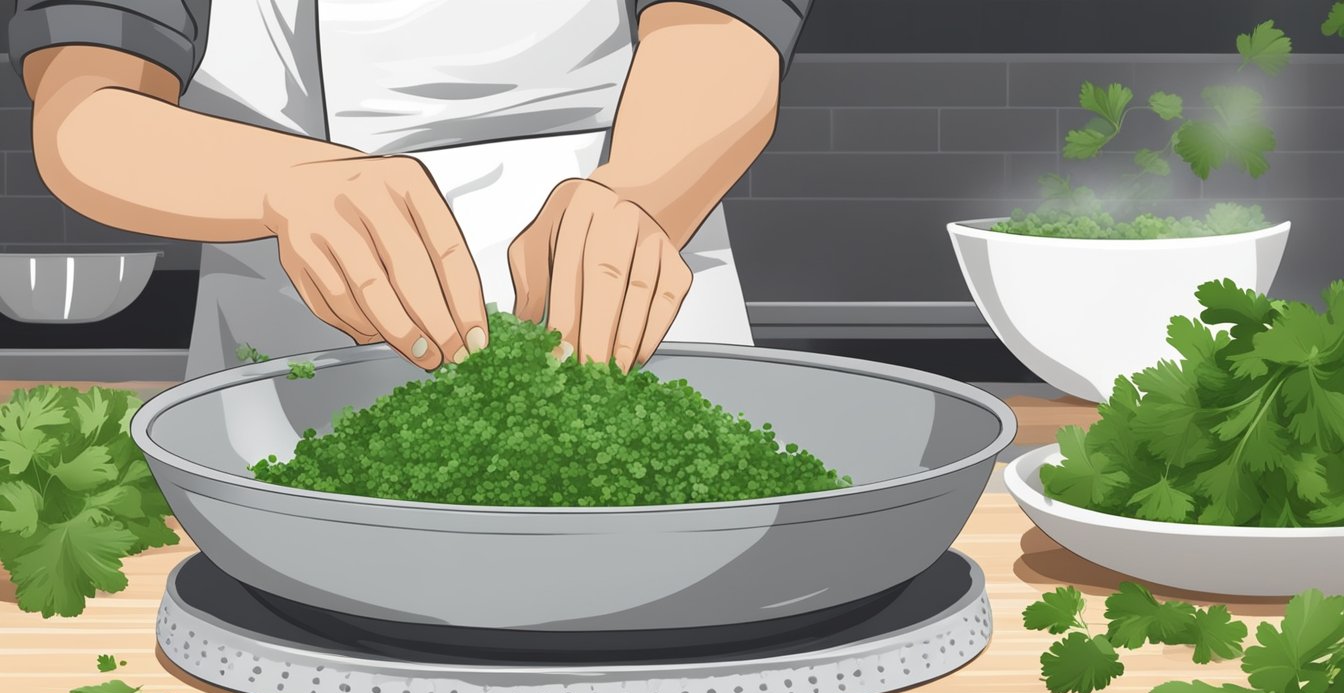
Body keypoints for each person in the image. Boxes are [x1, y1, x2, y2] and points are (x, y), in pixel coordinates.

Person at [10, 1, 808, 379]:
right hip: (284, 374)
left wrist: (645, 192)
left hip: (636, 330)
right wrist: (282, 182)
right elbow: (85, 110)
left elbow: (722, 36)